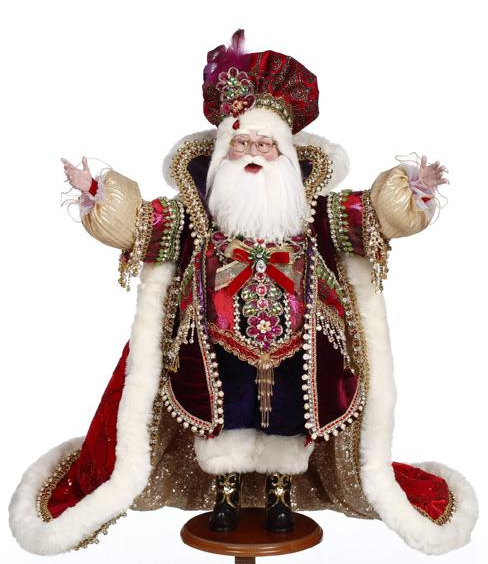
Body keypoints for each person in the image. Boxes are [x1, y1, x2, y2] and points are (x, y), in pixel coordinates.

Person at [9, 29, 477, 555]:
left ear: (284, 153)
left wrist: (413, 190)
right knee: (224, 416)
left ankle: (280, 496)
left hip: (302, 346)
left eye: (264, 144)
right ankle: (225, 496)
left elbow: (374, 216)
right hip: (213, 344)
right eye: (242, 144)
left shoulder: (316, 210)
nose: (253, 153)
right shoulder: (195, 211)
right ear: (223, 151)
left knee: (289, 418)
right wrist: (98, 194)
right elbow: (140, 225)